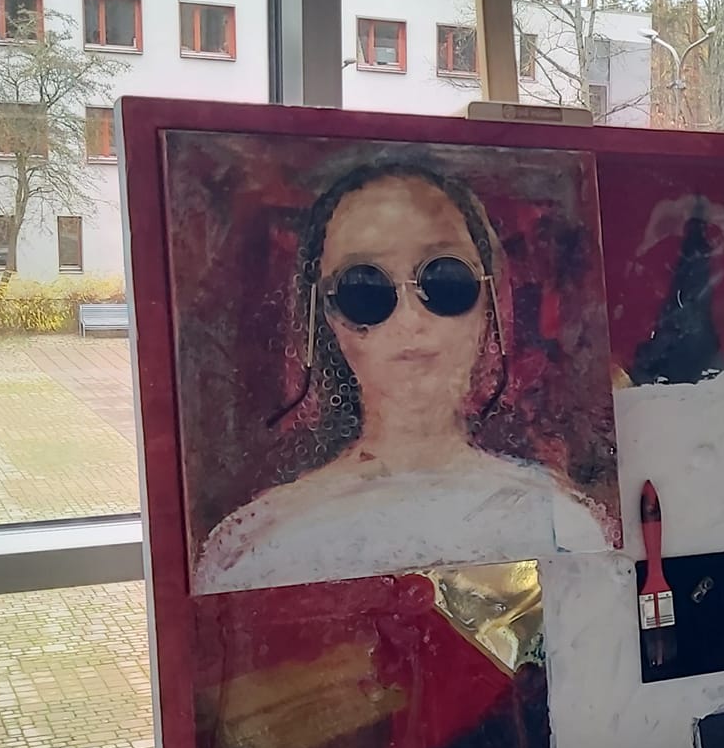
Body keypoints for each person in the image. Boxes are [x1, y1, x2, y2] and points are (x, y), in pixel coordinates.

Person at [193, 160, 611, 594]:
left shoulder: (560, 524)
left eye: (446, 280)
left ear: (490, 303)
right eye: (365, 290)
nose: (410, 320)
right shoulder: (260, 548)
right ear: (327, 318)